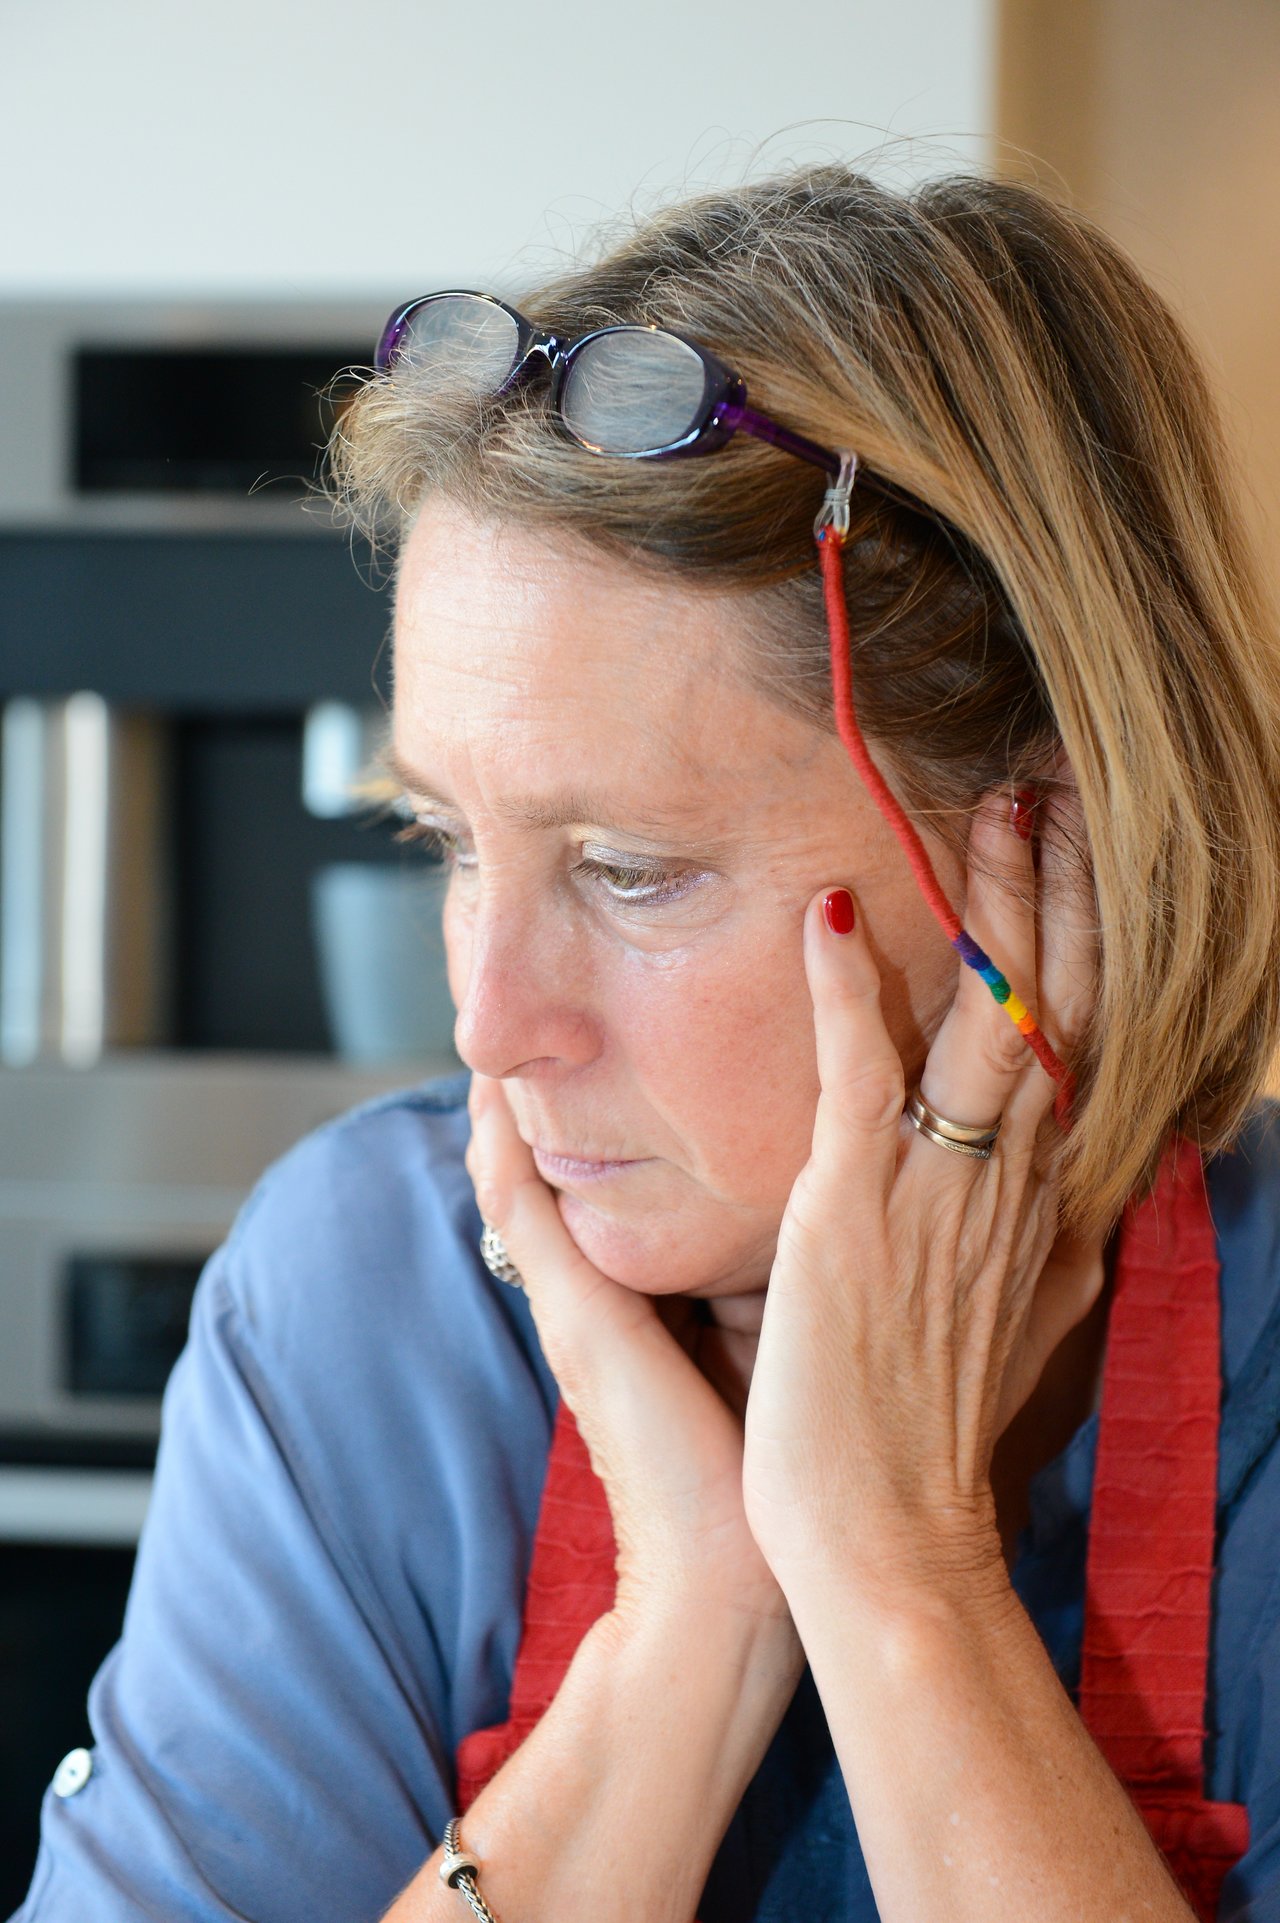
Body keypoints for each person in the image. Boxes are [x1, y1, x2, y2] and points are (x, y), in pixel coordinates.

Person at [13, 164, 1280, 1923]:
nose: (488, 1025)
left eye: (629, 872)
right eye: (448, 840)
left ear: (1053, 848)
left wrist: (897, 1568)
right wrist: (695, 1622)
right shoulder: (371, 1303)